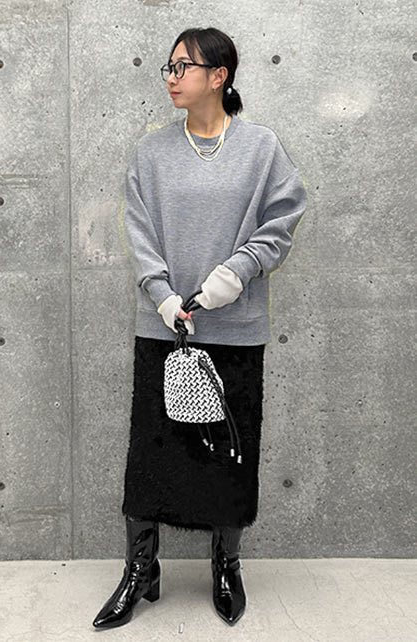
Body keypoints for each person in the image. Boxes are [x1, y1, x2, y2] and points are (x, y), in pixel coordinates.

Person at [92, 26, 308, 630]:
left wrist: (237, 272)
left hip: (234, 328)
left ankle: (226, 566)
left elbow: (283, 218)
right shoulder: (151, 152)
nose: (171, 76)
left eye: (183, 66)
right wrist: (161, 295)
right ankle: (141, 569)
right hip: (165, 330)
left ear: (219, 75)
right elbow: (139, 231)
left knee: (230, 455)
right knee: (151, 454)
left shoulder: (261, 148)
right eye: (169, 66)